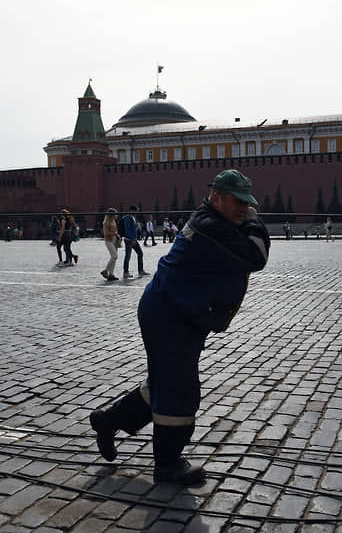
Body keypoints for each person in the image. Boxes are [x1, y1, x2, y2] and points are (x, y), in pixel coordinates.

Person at [90, 169, 271, 484]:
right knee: (178, 388)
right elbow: (256, 254)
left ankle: (108, 421)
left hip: (177, 311)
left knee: (164, 382)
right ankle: (167, 463)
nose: (243, 208)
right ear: (216, 199)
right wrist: (254, 219)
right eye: (237, 201)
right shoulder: (209, 226)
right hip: (170, 315)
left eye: (247, 202)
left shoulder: (215, 221)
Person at [122, 205, 147, 277]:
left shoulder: (133, 218)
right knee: (128, 256)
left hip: (134, 239)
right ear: (131, 210)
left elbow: (133, 228)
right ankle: (125, 272)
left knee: (140, 253)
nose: (136, 212)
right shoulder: (127, 218)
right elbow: (127, 230)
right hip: (129, 240)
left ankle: (141, 270)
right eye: (135, 210)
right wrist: (132, 239)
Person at [101, 208, 121, 281]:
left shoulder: (113, 221)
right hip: (108, 240)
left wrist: (117, 236)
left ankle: (111, 274)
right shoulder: (105, 223)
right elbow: (106, 233)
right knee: (114, 256)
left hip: (115, 240)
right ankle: (105, 270)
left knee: (114, 258)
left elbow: (115, 231)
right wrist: (115, 233)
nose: (116, 215)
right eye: (115, 214)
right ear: (111, 215)